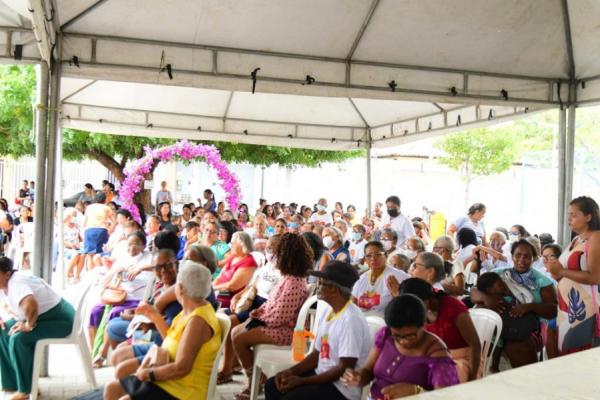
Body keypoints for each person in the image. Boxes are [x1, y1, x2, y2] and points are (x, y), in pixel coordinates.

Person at [104, 261, 221, 400]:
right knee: (112, 388)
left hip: (182, 389)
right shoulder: (191, 308)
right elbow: (172, 340)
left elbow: (182, 368)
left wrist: (149, 374)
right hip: (170, 379)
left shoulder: (197, 321)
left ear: (181, 289)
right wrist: (153, 315)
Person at [264, 261, 371, 400]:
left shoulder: (351, 319)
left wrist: (302, 381)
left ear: (333, 289)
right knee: (272, 385)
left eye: (321, 283)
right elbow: (317, 354)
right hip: (322, 376)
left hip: (341, 390)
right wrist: (290, 372)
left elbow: (344, 368)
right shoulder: (329, 311)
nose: (317, 287)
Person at [230, 233, 311, 399]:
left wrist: (259, 320)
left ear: (287, 256)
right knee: (236, 332)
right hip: (274, 323)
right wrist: (259, 312)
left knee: (239, 338)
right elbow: (272, 303)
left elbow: (281, 315)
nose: (274, 257)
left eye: (278, 253)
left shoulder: (295, 282)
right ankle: (256, 378)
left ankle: (255, 380)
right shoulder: (287, 277)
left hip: (286, 331)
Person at [341, 294, 459, 398]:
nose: (403, 342)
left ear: (423, 324)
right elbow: (368, 370)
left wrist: (417, 391)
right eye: (397, 336)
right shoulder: (386, 335)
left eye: (410, 336)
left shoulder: (437, 354)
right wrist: (358, 377)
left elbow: (445, 396)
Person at [471, 239, 557, 367]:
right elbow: (473, 292)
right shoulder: (499, 274)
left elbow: (553, 310)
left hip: (527, 326)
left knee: (519, 346)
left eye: (527, 256)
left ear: (534, 259)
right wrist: (486, 298)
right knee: (480, 341)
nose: (522, 260)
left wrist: (530, 307)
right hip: (499, 322)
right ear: (512, 256)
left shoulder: (543, 282)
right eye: (518, 255)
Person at [0, 257, 75, 400]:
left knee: (19, 338)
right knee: (3, 330)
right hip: (43, 317)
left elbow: (31, 304)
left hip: (61, 320)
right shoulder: (3, 283)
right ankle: (12, 381)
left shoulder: (16, 283)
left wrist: (29, 325)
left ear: (7, 274)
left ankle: (26, 390)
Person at [217, 235, 283, 384]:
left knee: (230, 322)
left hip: (263, 307)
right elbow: (252, 286)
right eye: (268, 248)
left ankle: (226, 369)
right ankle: (232, 363)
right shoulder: (266, 266)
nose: (269, 251)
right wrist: (237, 297)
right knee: (221, 316)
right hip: (251, 301)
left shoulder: (283, 272)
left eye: (273, 248)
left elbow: (275, 299)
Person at [88, 232, 153, 367]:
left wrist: (140, 268)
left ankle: (102, 353)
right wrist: (118, 270)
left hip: (135, 299)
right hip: (117, 296)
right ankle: (93, 351)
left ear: (143, 246)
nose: (132, 248)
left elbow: (159, 265)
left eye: (136, 244)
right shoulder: (123, 258)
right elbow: (106, 280)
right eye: (129, 244)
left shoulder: (148, 258)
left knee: (114, 313)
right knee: (95, 311)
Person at [398, 278, 481, 382]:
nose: (414, 311)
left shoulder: (453, 307)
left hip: (464, 361)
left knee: (441, 378)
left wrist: (472, 380)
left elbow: (475, 344)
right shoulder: (420, 312)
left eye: (416, 306)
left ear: (427, 299)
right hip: (437, 359)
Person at [546, 196, 600, 355]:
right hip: (566, 308)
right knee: (565, 353)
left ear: (588, 216)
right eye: (568, 214)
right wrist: (555, 271)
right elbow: (567, 275)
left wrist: (561, 271)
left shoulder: (596, 237)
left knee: (578, 357)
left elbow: (595, 277)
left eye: (574, 215)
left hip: (585, 309)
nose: (569, 218)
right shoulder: (576, 239)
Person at [352, 241, 409, 314]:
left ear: (386, 255)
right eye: (369, 256)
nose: (373, 258)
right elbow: (353, 302)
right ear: (365, 259)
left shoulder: (399, 276)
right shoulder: (361, 279)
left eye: (378, 254)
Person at [213, 232, 257, 308]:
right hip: (217, 292)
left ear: (242, 245)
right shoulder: (234, 257)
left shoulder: (249, 262)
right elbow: (219, 276)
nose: (231, 246)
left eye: (233, 243)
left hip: (228, 297)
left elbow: (232, 286)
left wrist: (213, 288)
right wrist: (212, 286)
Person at [81, 200, 111, 270]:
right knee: (100, 254)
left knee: (89, 255)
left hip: (89, 230)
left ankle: (90, 275)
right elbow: (114, 221)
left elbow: (84, 222)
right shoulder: (106, 207)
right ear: (104, 200)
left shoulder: (89, 207)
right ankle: (98, 274)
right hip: (102, 230)